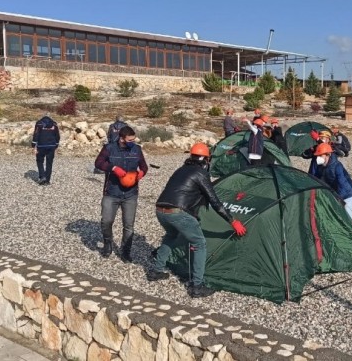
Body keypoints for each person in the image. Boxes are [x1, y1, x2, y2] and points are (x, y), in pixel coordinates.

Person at [148, 143, 247, 298]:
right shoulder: (200, 173)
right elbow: (214, 201)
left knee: (171, 236)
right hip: (176, 213)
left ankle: (156, 271)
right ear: (206, 159)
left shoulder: (180, 170)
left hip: (160, 210)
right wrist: (232, 220)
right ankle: (197, 286)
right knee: (199, 243)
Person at [94, 126, 148, 261]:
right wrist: (113, 168)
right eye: (130, 140)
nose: (133, 142)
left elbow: (144, 166)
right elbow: (98, 163)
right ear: (122, 139)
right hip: (111, 192)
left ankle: (125, 251)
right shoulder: (109, 148)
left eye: (134, 139)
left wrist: (142, 173)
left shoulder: (137, 149)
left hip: (131, 193)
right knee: (106, 221)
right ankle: (107, 244)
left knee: (129, 225)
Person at [310, 143, 352, 221]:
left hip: (346, 195)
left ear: (328, 155)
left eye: (320, 156)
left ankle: (351, 232)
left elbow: (342, 184)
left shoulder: (337, 166)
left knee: (347, 219)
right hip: (334, 193)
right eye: (317, 156)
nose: (318, 158)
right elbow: (315, 178)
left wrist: (339, 199)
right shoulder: (320, 166)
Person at [31, 113, 60, 185]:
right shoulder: (54, 124)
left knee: (40, 161)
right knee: (49, 163)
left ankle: (42, 177)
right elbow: (57, 135)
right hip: (51, 146)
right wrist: (56, 145)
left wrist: (33, 144)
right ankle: (47, 180)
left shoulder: (39, 124)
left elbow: (36, 134)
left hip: (41, 145)